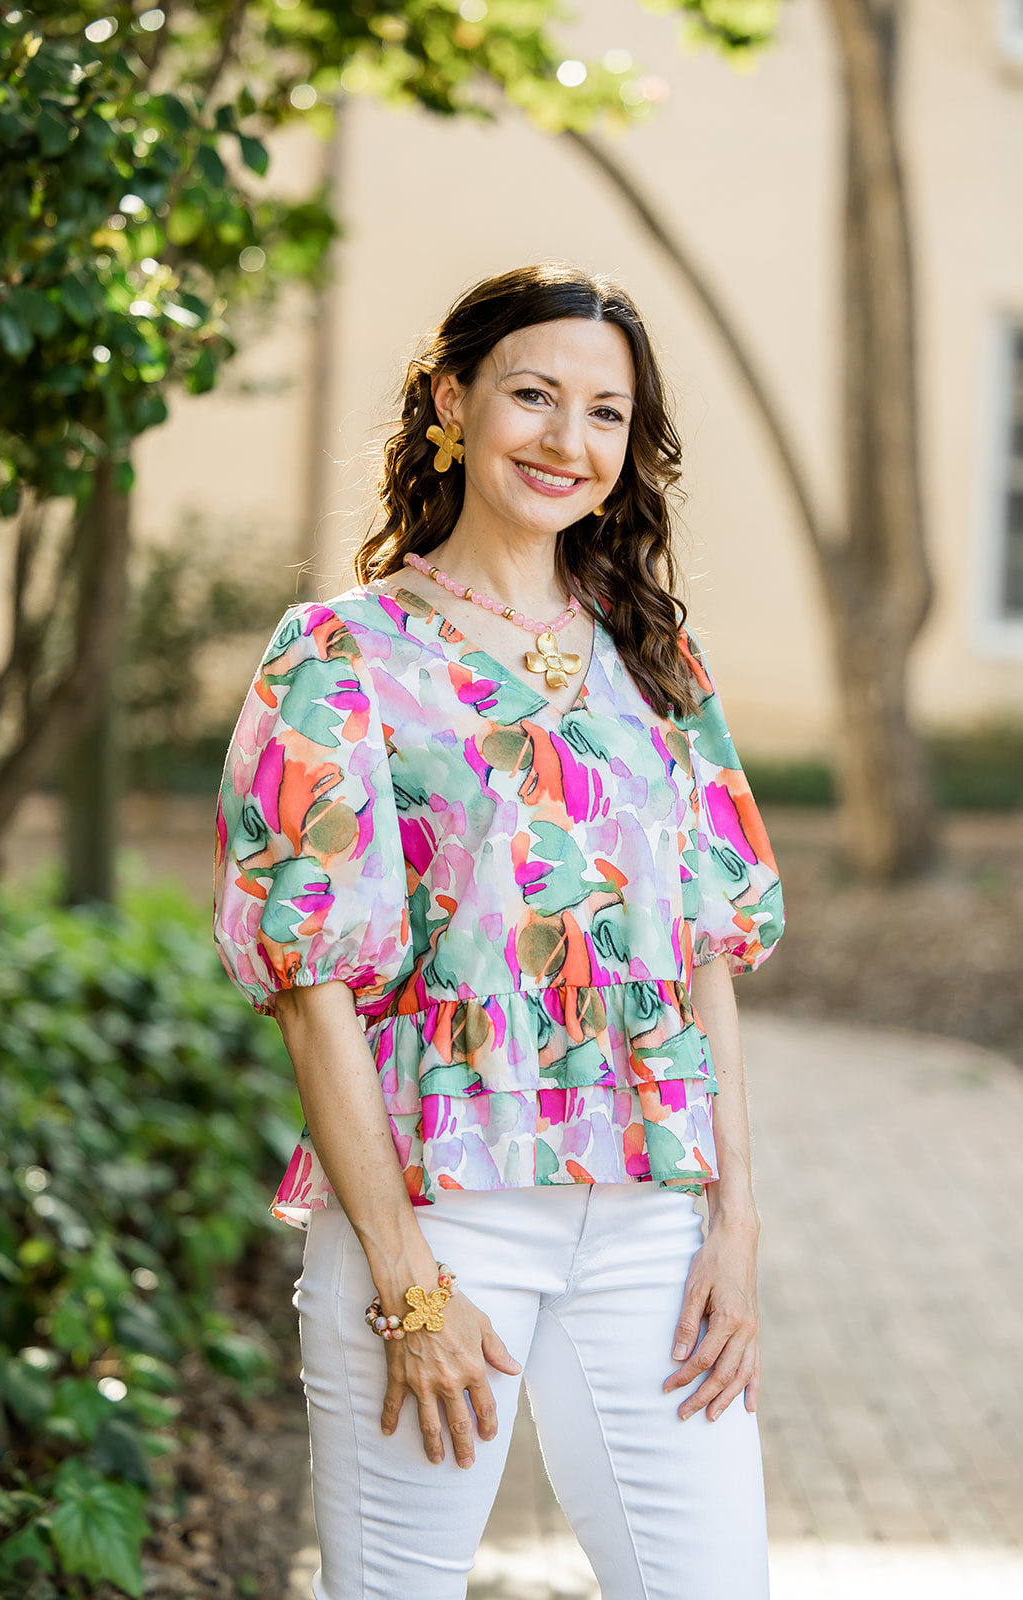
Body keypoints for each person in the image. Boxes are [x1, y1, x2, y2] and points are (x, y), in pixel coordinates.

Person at [213, 262, 785, 1600]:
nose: (564, 441)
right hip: (432, 1217)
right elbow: (315, 993)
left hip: (650, 1223)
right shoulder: (338, 657)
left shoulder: (654, 658)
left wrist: (734, 1227)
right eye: (533, 395)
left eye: (605, 413)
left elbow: (703, 952)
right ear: (453, 402)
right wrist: (408, 1285)